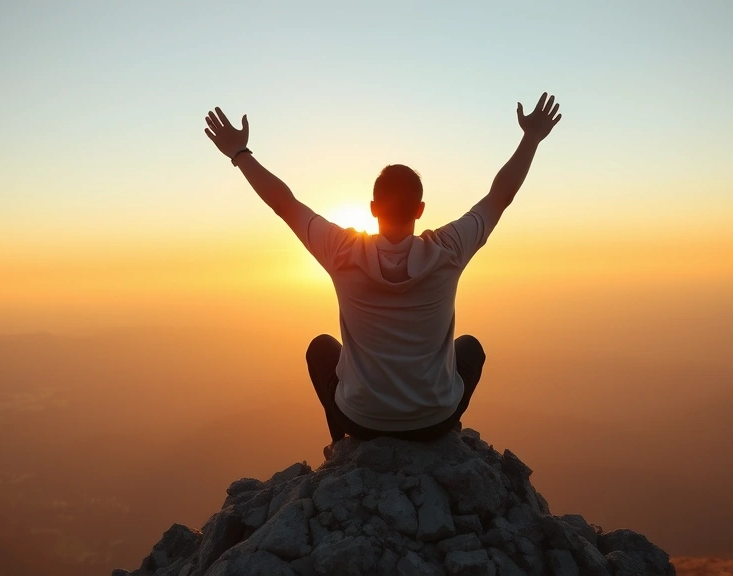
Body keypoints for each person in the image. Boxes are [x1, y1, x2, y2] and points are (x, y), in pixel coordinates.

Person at [204, 93, 562, 457]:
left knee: (320, 349)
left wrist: (240, 154)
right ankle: (449, 429)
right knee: (471, 348)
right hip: (434, 421)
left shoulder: (342, 251)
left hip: (361, 422)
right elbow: (499, 197)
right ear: (420, 209)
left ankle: (340, 444)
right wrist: (531, 137)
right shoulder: (449, 249)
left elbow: (284, 203)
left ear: (373, 208)